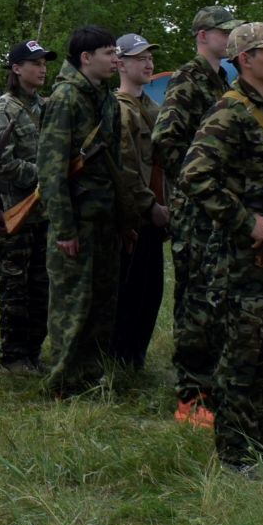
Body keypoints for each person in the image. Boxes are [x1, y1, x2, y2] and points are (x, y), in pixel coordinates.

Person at [179, 23, 263, 474]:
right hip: (242, 257)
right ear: (245, 59)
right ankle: (235, 454)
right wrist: (244, 220)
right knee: (241, 355)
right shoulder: (230, 112)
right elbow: (194, 176)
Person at [151, 5, 239, 426]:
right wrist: (192, 184)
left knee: (218, 300)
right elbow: (166, 139)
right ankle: (189, 396)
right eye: (224, 32)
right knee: (196, 304)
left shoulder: (222, 79)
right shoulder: (189, 78)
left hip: (219, 210)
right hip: (195, 211)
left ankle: (211, 385)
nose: (230, 38)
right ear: (203, 35)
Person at [39, 26, 134, 399]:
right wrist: (64, 229)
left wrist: (125, 220)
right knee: (72, 305)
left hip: (104, 219)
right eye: (109, 53)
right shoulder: (66, 99)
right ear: (85, 58)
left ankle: (91, 377)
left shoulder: (105, 99)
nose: (116, 59)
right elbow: (51, 170)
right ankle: (62, 382)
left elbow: (114, 166)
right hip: (77, 221)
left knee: (101, 302)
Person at [0, 40, 52, 375]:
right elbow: (5, 165)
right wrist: (45, 176)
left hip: (44, 214)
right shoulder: (5, 109)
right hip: (18, 211)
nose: (42, 68)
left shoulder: (45, 107)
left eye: (44, 63)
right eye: (35, 63)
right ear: (16, 68)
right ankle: (13, 356)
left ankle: (32, 352)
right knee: (15, 287)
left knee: (41, 287)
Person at [112, 34, 169, 374]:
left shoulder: (151, 107)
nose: (148, 63)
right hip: (131, 218)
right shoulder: (119, 109)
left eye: (149, 57)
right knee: (128, 294)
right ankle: (119, 360)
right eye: (139, 58)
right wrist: (150, 207)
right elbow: (127, 169)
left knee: (150, 293)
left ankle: (135, 360)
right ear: (120, 64)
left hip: (154, 216)